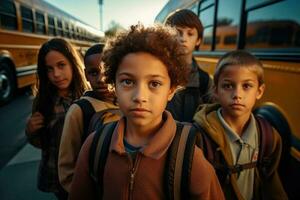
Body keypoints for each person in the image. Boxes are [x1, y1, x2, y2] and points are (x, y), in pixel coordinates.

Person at [69, 24, 224, 199]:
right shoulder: (95, 146)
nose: (140, 96)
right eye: (128, 82)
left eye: (154, 84)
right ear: (114, 85)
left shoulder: (188, 157)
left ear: (171, 90)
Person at [193, 50, 287, 200]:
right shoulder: (199, 137)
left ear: (259, 91)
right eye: (228, 86)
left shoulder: (268, 137)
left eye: (246, 86)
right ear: (216, 90)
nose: (237, 94)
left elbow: (271, 183)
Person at [25, 38, 89, 199]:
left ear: (73, 63)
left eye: (61, 65)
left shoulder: (86, 97)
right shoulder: (43, 102)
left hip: (85, 174)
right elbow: (43, 143)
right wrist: (31, 131)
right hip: (57, 177)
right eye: (49, 69)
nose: (56, 74)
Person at [58, 44, 120, 193]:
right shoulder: (79, 111)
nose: (101, 79)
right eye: (94, 72)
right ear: (86, 75)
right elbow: (66, 169)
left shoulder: (127, 102)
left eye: (107, 71)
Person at [165, 9, 213, 122]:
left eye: (190, 34)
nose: (183, 38)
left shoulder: (204, 80)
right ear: (166, 36)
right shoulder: (155, 73)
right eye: (178, 32)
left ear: (198, 40)